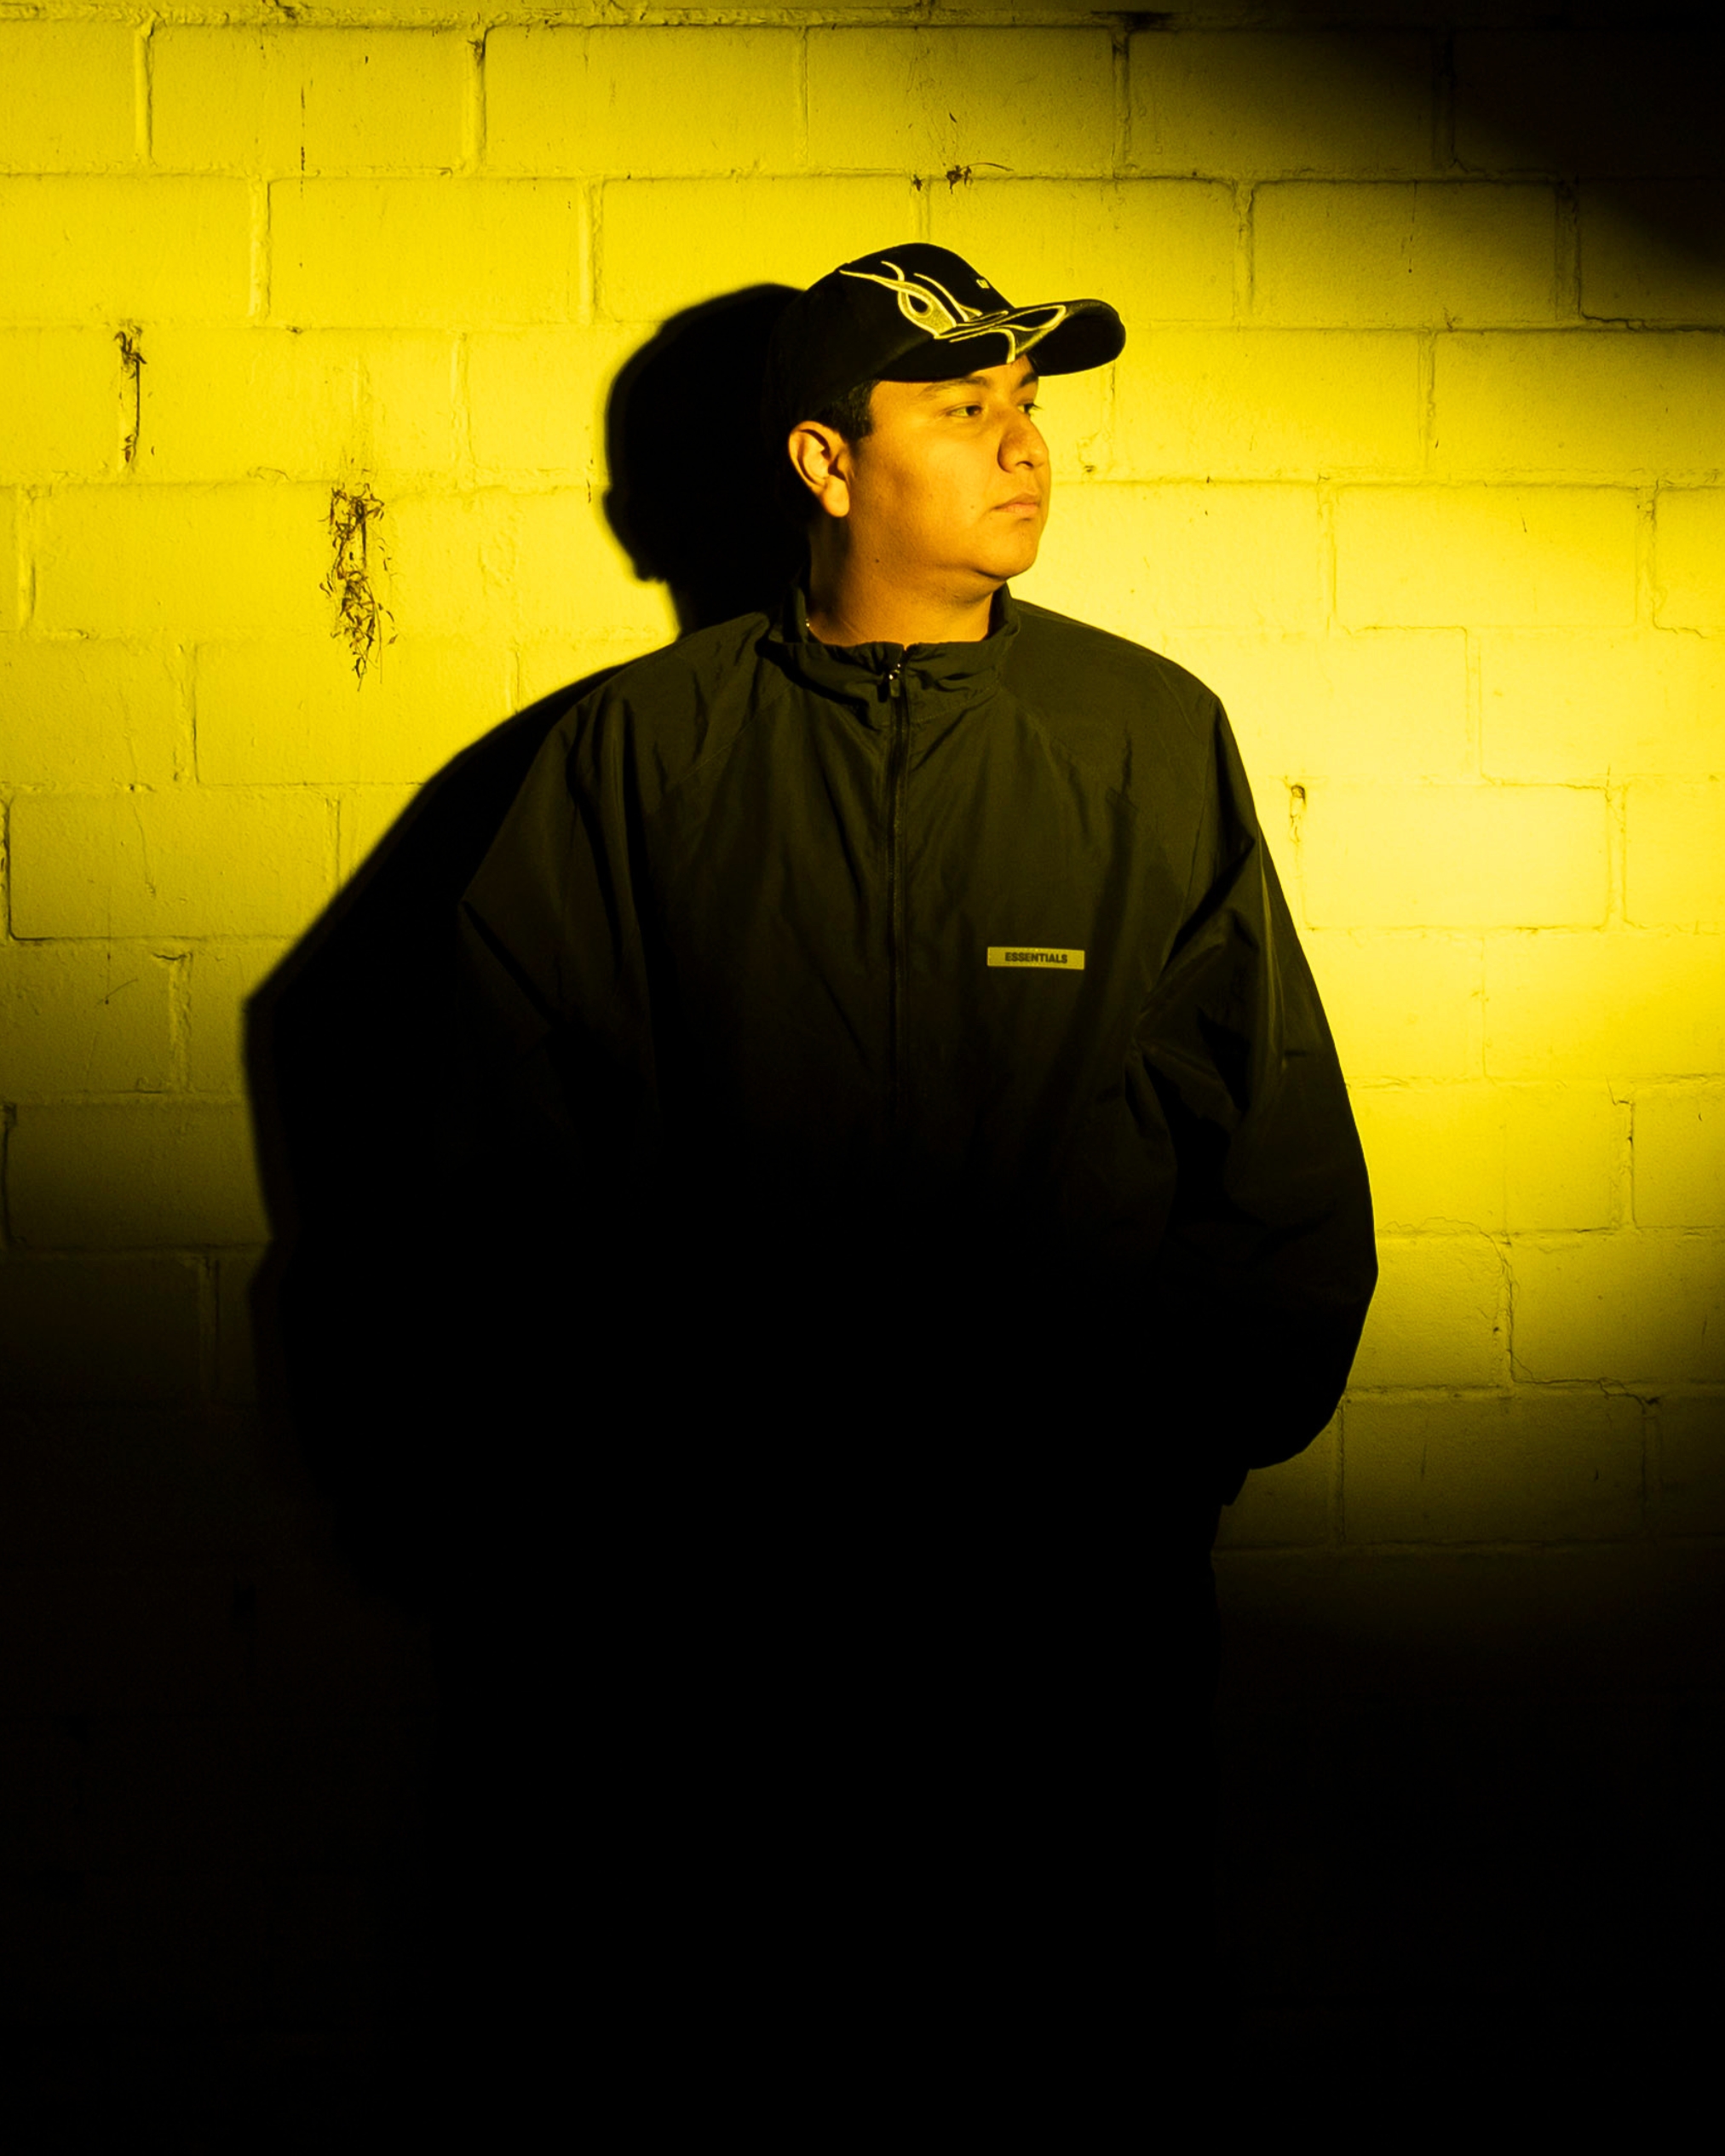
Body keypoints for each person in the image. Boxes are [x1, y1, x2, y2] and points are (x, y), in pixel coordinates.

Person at [451, 243, 1377, 2096]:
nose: (1023, 447)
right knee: (752, 2011)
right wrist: (630, 1468)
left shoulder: (1139, 735)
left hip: (1067, 1594)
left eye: (1024, 407)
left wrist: (1151, 1458)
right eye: (961, 409)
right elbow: (495, 1145)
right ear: (824, 463)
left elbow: (1269, 1133)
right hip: (735, 1599)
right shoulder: (644, 753)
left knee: (1075, 2010)